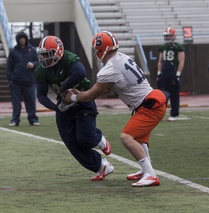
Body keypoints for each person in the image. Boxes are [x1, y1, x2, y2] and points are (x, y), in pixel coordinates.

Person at [65, 31, 168, 187]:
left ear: (101, 49)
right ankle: (144, 170)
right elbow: (109, 88)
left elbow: (91, 95)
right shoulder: (122, 58)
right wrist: (84, 94)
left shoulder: (109, 68)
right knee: (139, 139)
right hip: (150, 102)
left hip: (149, 107)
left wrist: (73, 97)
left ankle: (150, 174)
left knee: (126, 137)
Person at [35, 35, 113, 181]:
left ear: (58, 52)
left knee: (85, 139)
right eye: (42, 54)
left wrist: (63, 89)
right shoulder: (41, 70)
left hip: (82, 100)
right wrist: (56, 108)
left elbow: (80, 73)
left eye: (47, 54)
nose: (44, 58)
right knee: (71, 142)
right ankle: (102, 166)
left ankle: (99, 139)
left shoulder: (68, 58)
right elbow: (41, 95)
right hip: (64, 105)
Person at [6, 31, 39, 127]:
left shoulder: (32, 50)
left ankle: (33, 119)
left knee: (31, 102)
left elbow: (38, 61)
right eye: (20, 38)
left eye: (24, 38)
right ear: (17, 39)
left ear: (26, 39)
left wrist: (33, 65)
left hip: (29, 81)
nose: (22, 40)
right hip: (16, 82)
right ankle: (15, 120)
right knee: (16, 104)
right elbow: (9, 67)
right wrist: (10, 80)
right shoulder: (13, 51)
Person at [157, 27, 185, 121]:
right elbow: (160, 61)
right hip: (164, 72)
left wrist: (178, 74)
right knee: (161, 95)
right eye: (167, 35)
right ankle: (160, 114)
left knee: (174, 95)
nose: (168, 37)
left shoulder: (178, 47)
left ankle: (174, 114)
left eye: (169, 35)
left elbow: (181, 61)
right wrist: (159, 73)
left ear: (174, 36)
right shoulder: (163, 47)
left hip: (173, 72)